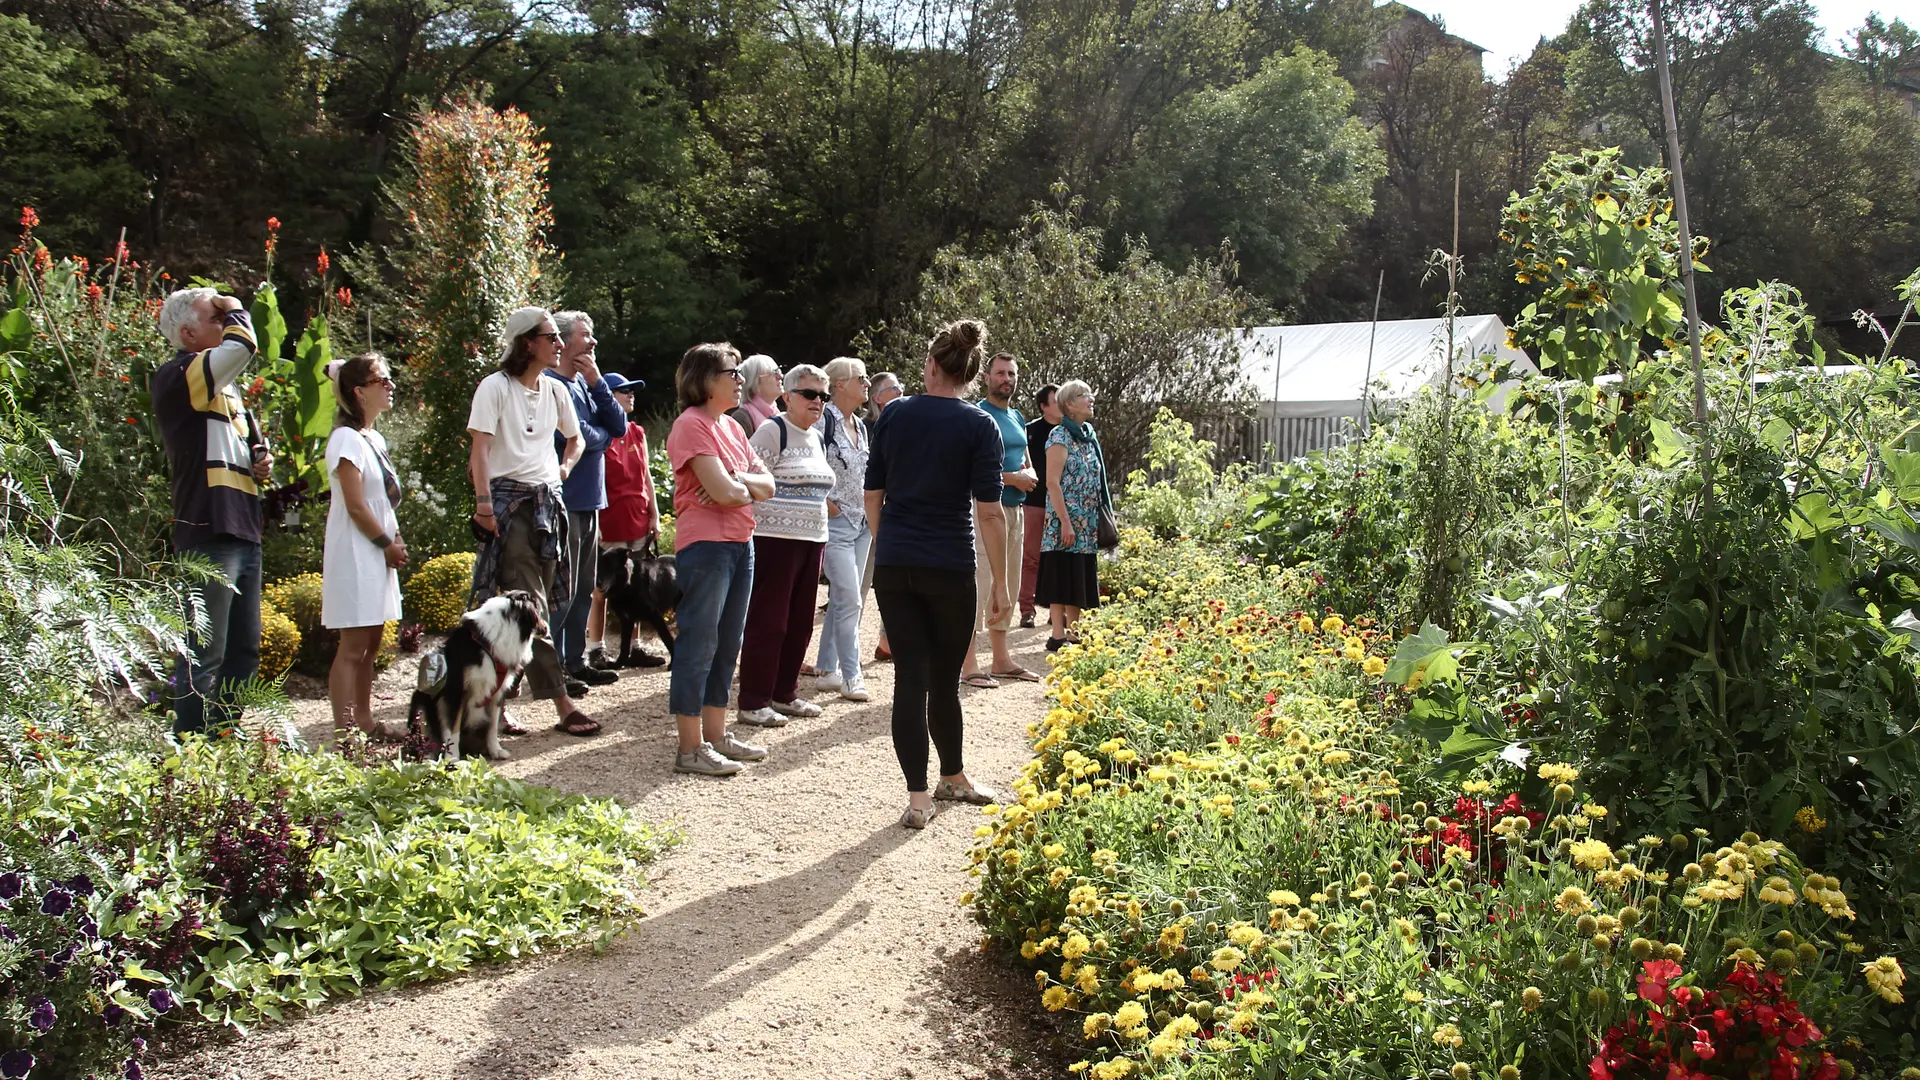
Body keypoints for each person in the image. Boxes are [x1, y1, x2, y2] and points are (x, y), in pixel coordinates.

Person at [865, 319, 1007, 830]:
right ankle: (953, 777)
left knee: (909, 679)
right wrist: (1002, 583)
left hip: (896, 564)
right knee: (945, 682)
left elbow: (872, 495)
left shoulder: (894, 413)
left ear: (930, 366)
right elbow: (989, 511)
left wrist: (889, 544)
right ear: (971, 374)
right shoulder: (980, 424)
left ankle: (920, 797)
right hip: (950, 564)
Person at [466, 306, 599, 737]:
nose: (560, 343)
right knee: (533, 607)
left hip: (548, 506)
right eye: (551, 336)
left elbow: (576, 439)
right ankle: (563, 704)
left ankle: (493, 703)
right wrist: (484, 507)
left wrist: (563, 469)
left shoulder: (556, 390)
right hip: (511, 508)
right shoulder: (495, 387)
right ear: (527, 342)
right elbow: (480, 451)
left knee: (530, 611)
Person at [152, 286, 273, 735]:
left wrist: (260, 458)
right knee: (204, 651)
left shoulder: (226, 388)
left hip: (243, 524)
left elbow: (247, 442)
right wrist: (236, 307)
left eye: (224, 317)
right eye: (214, 317)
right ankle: (189, 749)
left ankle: (222, 739)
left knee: (243, 651)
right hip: (208, 524)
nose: (224, 323)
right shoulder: (179, 374)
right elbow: (243, 347)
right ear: (187, 334)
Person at [666, 342, 777, 775]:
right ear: (706, 380)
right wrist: (738, 486)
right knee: (699, 643)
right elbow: (728, 493)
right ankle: (689, 747)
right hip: (706, 546)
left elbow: (765, 486)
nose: (739, 380)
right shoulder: (690, 425)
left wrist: (734, 479)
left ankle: (715, 735)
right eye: (732, 372)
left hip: (740, 542)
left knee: (729, 642)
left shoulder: (731, 427)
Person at [736, 365, 837, 726]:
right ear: (787, 396)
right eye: (809, 394)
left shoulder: (817, 437)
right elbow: (747, 477)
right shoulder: (772, 430)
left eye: (823, 396)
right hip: (775, 541)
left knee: (800, 622)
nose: (817, 401)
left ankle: (784, 692)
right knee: (770, 621)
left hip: (812, 540)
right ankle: (753, 699)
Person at [321, 352, 406, 743]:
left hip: (377, 548)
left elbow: (381, 499)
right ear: (359, 392)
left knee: (371, 643)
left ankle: (366, 721)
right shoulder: (345, 439)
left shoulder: (374, 438)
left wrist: (395, 537)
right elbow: (355, 505)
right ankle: (345, 734)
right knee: (353, 646)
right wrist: (385, 544)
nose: (390, 386)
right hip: (357, 550)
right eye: (381, 381)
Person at [547, 310, 625, 692]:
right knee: (561, 589)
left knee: (583, 588)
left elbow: (618, 426)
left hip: (591, 499)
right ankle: (552, 669)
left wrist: (597, 382)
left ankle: (575, 662)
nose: (593, 341)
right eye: (586, 335)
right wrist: (601, 437)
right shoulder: (549, 383)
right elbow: (569, 436)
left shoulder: (584, 382)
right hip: (565, 500)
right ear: (563, 341)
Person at [960, 352, 1041, 688]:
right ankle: (967, 664)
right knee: (980, 583)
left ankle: (1001, 659)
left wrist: (1028, 474)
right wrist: (1013, 478)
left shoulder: (1017, 416)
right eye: (1000, 373)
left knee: (1007, 583)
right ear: (986, 377)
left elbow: (1026, 460)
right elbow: (967, 469)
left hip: (1015, 511)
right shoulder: (977, 415)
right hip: (985, 509)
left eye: (1011, 373)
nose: (1006, 379)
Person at [586, 371, 666, 669]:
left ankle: (634, 648)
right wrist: (594, 524)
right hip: (609, 522)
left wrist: (654, 515)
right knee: (602, 588)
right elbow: (593, 481)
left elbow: (646, 476)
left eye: (633, 390)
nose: (631, 394)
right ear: (607, 397)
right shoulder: (598, 434)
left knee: (637, 586)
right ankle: (595, 649)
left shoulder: (637, 432)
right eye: (624, 390)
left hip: (638, 519)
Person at [809, 356, 872, 701]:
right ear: (839, 385)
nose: (867, 383)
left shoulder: (860, 425)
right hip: (836, 523)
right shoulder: (823, 421)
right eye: (860, 378)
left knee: (844, 598)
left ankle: (827, 669)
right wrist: (827, 503)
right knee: (850, 599)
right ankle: (852, 675)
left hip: (861, 523)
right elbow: (807, 463)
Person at [1036, 379, 1108, 652]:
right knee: (1061, 573)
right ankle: (1057, 635)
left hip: (1086, 523)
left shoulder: (1088, 435)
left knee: (1077, 574)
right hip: (1063, 521)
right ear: (1069, 404)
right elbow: (1052, 482)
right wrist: (1066, 522)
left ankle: (1074, 633)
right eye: (1084, 395)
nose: (1091, 399)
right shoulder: (1059, 436)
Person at [866, 371, 906, 663]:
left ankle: (887, 641)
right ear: (877, 397)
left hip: (889, 515)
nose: (901, 391)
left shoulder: (903, 425)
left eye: (901, 386)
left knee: (892, 583)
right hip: (864, 516)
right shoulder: (867, 427)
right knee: (857, 591)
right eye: (894, 388)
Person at [1020, 383, 1061, 629]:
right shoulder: (1030, 432)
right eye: (1056, 401)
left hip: (1062, 505)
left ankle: (1056, 611)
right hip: (1034, 503)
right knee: (1031, 558)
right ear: (1044, 406)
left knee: (1057, 559)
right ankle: (1027, 609)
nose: (1062, 405)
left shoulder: (1069, 432)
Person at [727, 353, 782, 434]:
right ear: (755, 383)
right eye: (774, 373)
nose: (780, 376)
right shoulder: (741, 418)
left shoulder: (777, 414)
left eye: (779, 371)